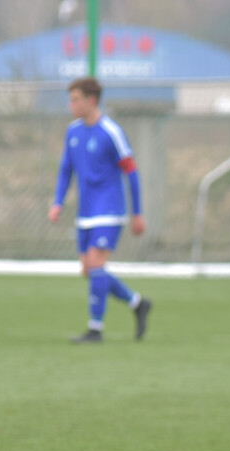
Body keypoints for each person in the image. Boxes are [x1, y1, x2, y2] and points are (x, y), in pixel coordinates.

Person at [49, 76, 151, 343]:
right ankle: (137, 303)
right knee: (90, 270)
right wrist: (57, 202)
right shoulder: (73, 131)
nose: (71, 105)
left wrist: (137, 213)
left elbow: (132, 171)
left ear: (91, 101)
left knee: (95, 265)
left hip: (109, 209)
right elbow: (65, 170)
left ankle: (95, 329)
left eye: (75, 99)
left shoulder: (111, 132)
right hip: (85, 212)